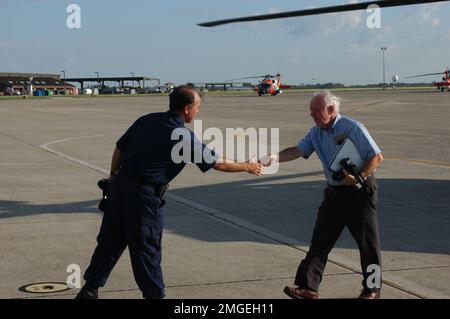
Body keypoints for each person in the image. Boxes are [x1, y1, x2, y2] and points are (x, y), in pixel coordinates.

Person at [76, 85, 263, 299]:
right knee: (146, 248)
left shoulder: (146, 120)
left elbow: (120, 148)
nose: (198, 112)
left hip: (119, 188)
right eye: (197, 107)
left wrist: (112, 175)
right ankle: (155, 296)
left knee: (110, 241)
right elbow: (216, 162)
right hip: (143, 196)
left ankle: (89, 290)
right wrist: (248, 166)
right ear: (186, 109)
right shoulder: (181, 135)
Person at [264, 90, 384, 299]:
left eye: (316, 110)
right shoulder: (316, 132)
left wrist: (357, 178)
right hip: (334, 193)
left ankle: (372, 290)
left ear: (331, 109)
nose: (311, 114)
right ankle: (308, 288)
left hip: (359, 191)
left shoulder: (352, 127)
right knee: (320, 241)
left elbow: (376, 157)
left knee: (368, 245)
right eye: (310, 110)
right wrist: (274, 157)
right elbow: (297, 150)